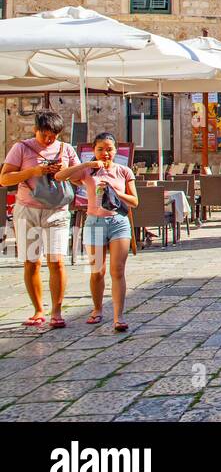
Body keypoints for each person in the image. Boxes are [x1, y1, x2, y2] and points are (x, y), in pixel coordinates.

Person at [1, 110, 78, 328]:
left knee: (57, 261)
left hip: (58, 211)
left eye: (53, 135)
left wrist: (65, 171)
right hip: (28, 210)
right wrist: (34, 171)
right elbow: (4, 179)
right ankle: (38, 310)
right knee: (32, 261)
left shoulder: (66, 149)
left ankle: (57, 311)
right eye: (44, 134)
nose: (48, 139)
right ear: (36, 129)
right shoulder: (21, 148)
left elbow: (79, 178)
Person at [57, 132, 137, 332]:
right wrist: (87, 165)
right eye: (100, 149)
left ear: (115, 151)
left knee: (117, 270)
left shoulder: (124, 171)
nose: (105, 153)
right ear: (94, 151)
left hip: (118, 222)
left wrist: (115, 191)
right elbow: (60, 176)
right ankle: (97, 309)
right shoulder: (87, 173)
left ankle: (118, 317)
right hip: (94, 223)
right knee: (97, 272)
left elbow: (135, 201)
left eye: (109, 149)